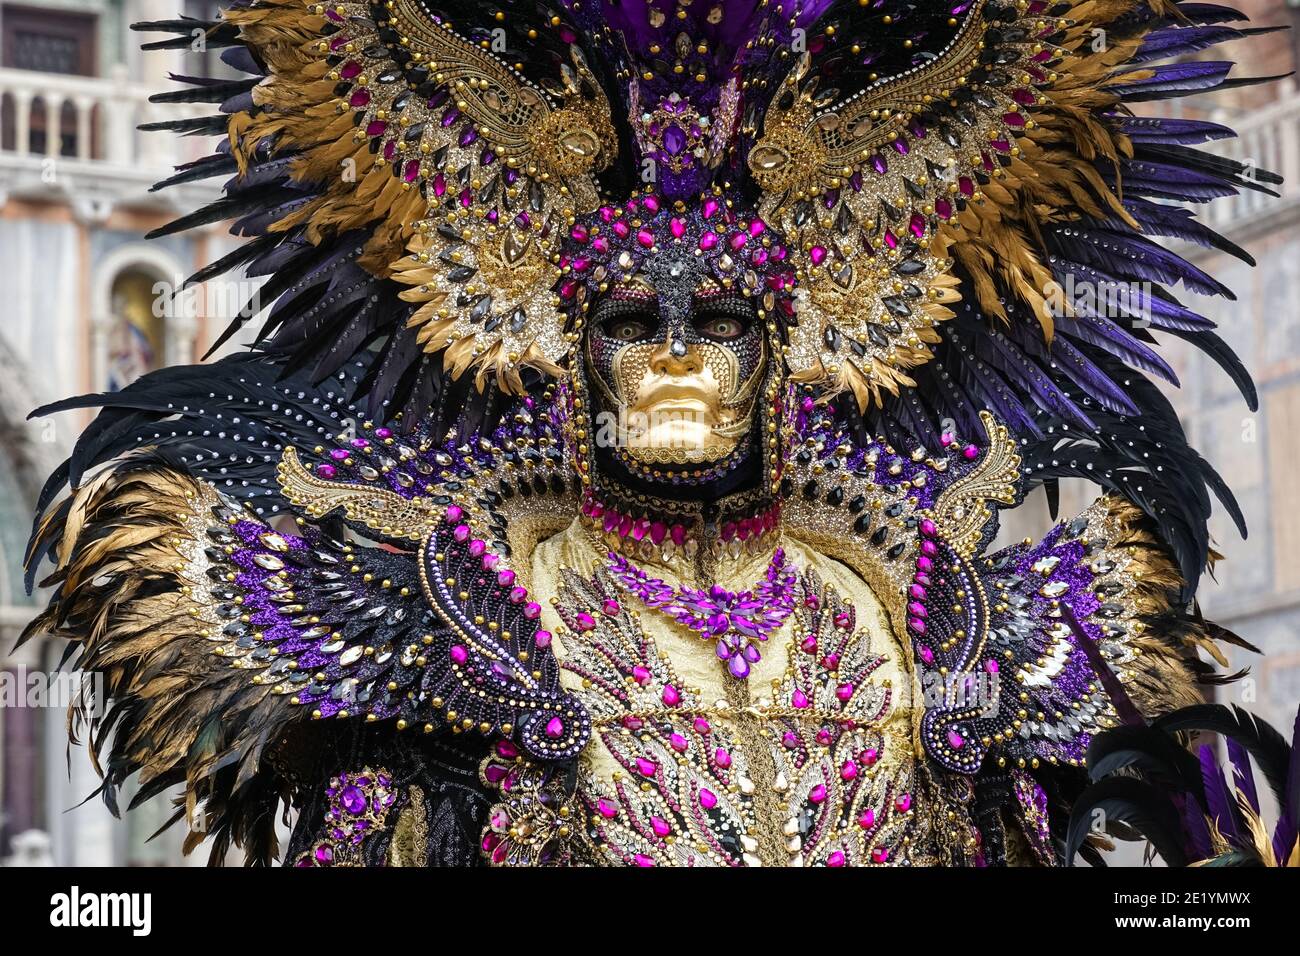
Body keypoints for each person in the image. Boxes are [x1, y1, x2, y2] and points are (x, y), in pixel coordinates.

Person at [21, 0, 1280, 866]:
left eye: (718, 319)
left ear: (789, 345)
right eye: (634, 318)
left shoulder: (929, 605)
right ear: (568, 347)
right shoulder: (463, 618)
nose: (676, 351)